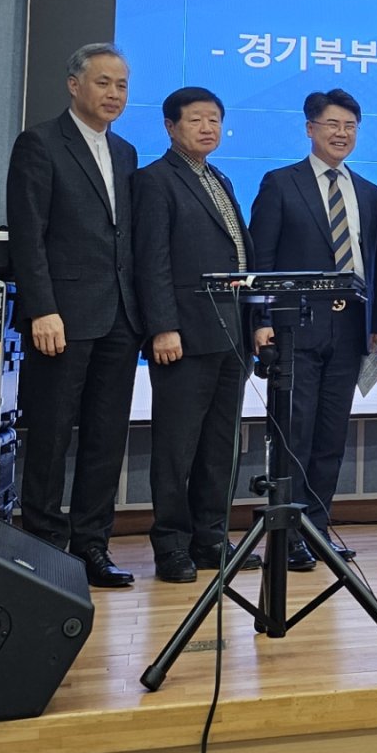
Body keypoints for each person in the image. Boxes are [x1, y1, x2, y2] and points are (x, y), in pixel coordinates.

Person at [5, 42, 142, 588]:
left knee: (106, 438)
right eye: (104, 82)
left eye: (122, 85)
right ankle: (43, 550)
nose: (114, 94)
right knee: (51, 436)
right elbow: (28, 235)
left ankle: (92, 547)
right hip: (61, 316)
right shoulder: (40, 143)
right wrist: (42, 308)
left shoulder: (127, 152)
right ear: (74, 85)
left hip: (120, 317)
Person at [250, 89, 377, 570]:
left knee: (331, 436)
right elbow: (262, 260)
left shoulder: (368, 192)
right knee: (296, 434)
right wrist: (261, 322)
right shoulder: (280, 183)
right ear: (310, 128)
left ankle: (317, 528)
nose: (341, 134)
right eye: (332, 124)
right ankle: (287, 535)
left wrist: (376, 327)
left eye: (350, 126)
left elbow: (376, 265)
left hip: (350, 330)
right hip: (296, 331)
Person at [132, 87, 258, 583]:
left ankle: (212, 538)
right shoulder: (155, 180)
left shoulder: (218, 177)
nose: (208, 128)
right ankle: (171, 545)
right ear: (170, 126)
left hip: (231, 334)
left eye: (214, 120)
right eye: (196, 120)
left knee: (220, 446)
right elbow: (152, 261)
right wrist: (163, 327)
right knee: (176, 448)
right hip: (183, 336)